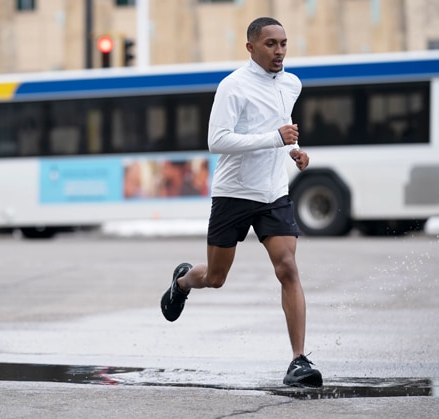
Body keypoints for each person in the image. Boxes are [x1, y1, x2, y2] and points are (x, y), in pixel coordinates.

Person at [160, 17, 322, 388]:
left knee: (288, 269)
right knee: (215, 278)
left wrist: (295, 150)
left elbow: (283, 124)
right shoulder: (233, 86)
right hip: (233, 193)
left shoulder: (292, 83)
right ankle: (184, 281)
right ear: (251, 47)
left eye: (283, 43)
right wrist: (275, 139)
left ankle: (298, 360)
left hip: (273, 193)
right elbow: (217, 141)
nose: (279, 50)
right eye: (270, 44)